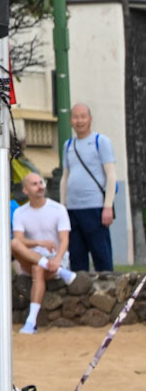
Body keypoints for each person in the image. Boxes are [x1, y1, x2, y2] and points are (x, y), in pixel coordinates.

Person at [12, 171, 75, 333]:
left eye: (41, 183)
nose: (40, 187)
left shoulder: (58, 209)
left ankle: (31, 322)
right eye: (34, 184)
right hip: (32, 258)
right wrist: (39, 242)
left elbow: (64, 240)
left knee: (37, 268)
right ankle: (52, 267)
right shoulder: (20, 212)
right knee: (14, 243)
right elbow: (19, 240)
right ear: (25, 190)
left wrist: (58, 260)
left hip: (54, 259)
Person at [61, 103, 117, 275]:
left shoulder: (101, 142)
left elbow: (111, 174)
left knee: (101, 255)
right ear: (71, 120)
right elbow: (65, 177)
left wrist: (108, 205)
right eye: (76, 117)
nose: (79, 121)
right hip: (72, 209)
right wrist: (62, 207)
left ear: (90, 119)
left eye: (83, 116)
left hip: (95, 207)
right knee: (77, 257)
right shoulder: (68, 145)